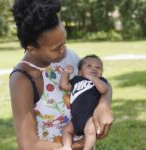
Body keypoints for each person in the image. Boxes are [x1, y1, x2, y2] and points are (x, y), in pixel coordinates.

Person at [9, 0, 113, 150]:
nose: (63, 50)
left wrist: (104, 104)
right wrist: (80, 144)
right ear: (32, 49)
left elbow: (102, 83)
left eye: (64, 42)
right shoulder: (22, 79)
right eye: (57, 48)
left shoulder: (68, 57)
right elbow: (28, 145)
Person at [56, 55, 109, 150]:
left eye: (98, 67)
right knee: (66, 130)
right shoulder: (77, 80)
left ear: (101, 73)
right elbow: (64, 85)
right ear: (80, 72)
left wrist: (94, 79)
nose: (93, 68)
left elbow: (104, 90)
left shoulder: (100, 81)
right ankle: (67, 147)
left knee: (90, 132)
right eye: (89, 66)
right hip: (76, 118)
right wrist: (66, 73)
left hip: (90, 117)